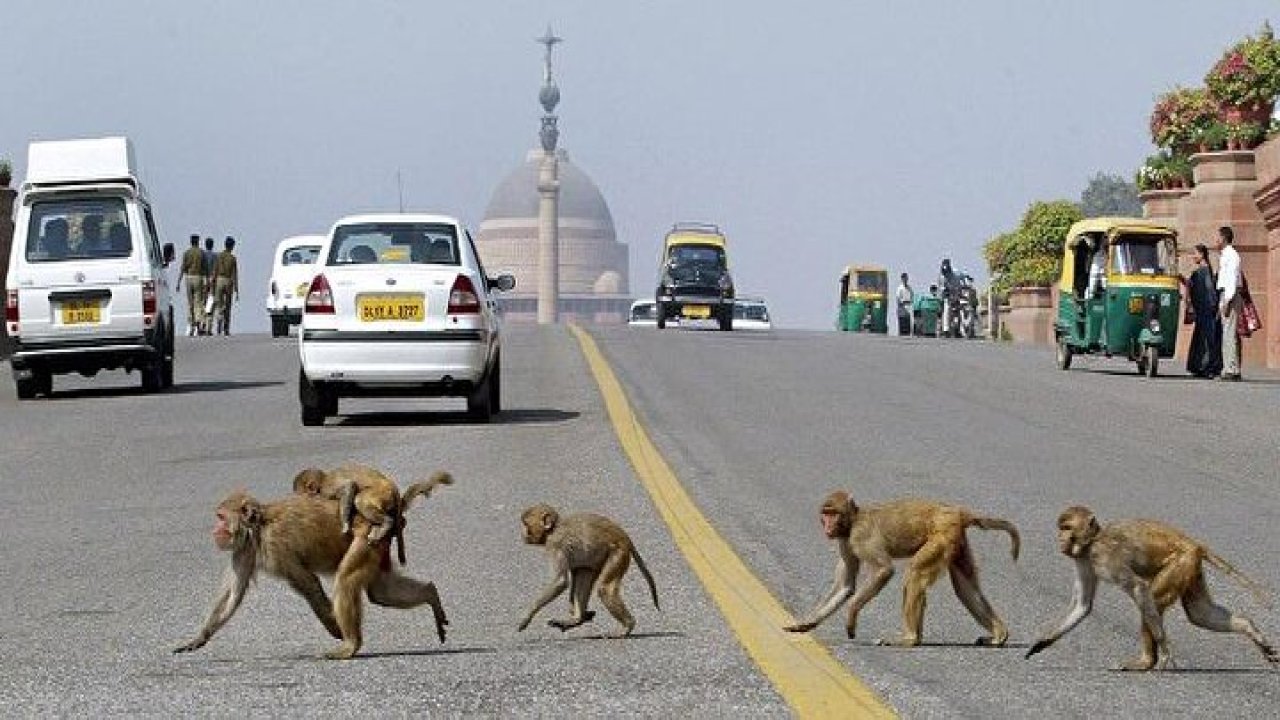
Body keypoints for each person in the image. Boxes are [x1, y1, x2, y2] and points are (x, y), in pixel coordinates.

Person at [1185, 243, 1222, 378]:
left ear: (1201, 254)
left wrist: (1213, 308)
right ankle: (1201, 367)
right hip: (1203, 310)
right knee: (1203, 339)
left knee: (1206, 340)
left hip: (1206, 310)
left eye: (1195, 253)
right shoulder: (1203, 271)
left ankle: (1207, 368)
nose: (1193, 257)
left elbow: (1210, 291)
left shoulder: (1204, 271)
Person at [1215, 225, 1242, 381]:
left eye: (1217, 237)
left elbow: (1231, 279)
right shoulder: (1226, 255)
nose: (1216, 240)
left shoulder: (1231, 255)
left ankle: (1230, 369)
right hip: (1226, 294)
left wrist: (1227, 299)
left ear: (1224, 238)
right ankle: (1232, 367)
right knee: (1228, 332)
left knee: (1229, 333)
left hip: (1229, 294)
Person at [176, 235, 206, 336]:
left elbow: (182, 268)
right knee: (198, 302)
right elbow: (205, 268)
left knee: (190, 303)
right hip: (198, 277)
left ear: (190, 242)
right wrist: (207, 280)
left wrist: (178, 282)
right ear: (197, 241)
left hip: (188, 277)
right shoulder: (201, 253)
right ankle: (198, 323)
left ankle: (190, 324)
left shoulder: (186, 253)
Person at [211, 236, 240, 336]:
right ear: (232, 246)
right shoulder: (232, 258)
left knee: (219, 304)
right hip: (228, 281)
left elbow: (215, 270)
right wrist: (236, 289)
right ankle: (226, 328)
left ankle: (219, 324)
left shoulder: (219, 256)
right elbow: (234, 274)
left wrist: (212, 283)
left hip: (219, 280)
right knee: (227, 306)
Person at [938, 259, 960, 336]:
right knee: (946, 310)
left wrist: (955, 291)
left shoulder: (953, 275)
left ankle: (957, 328)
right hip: (945, 296)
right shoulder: (941, 276)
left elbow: (956, 284)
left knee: (956, 311)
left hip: (954, 294)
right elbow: (941, 287)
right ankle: (946, 330)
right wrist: (944, 291)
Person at [200, 237, 217, 335]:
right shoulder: (215, 256)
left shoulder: (203, 256)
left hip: (203, 280)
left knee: (202, 303)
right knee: (210, 304)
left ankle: (201, 323)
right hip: (211, 279)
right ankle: (208, 327)